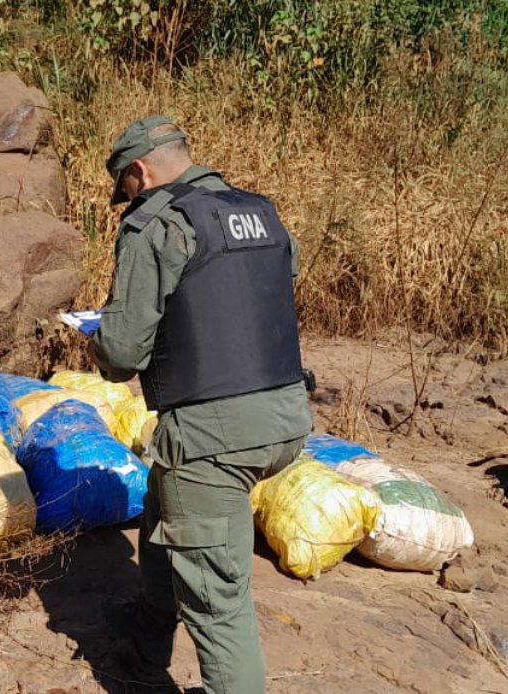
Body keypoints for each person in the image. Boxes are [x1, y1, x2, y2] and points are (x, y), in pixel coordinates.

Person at [90, 116, 313, 694]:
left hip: (214, 435)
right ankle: (145, 648)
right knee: (165, 505)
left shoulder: (155, 222)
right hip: (286, 418)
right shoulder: (259, 212)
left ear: (138, 172)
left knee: (219, 604)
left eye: (127, 187)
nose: (128, 198)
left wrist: (95, 335)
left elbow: (121, 354)